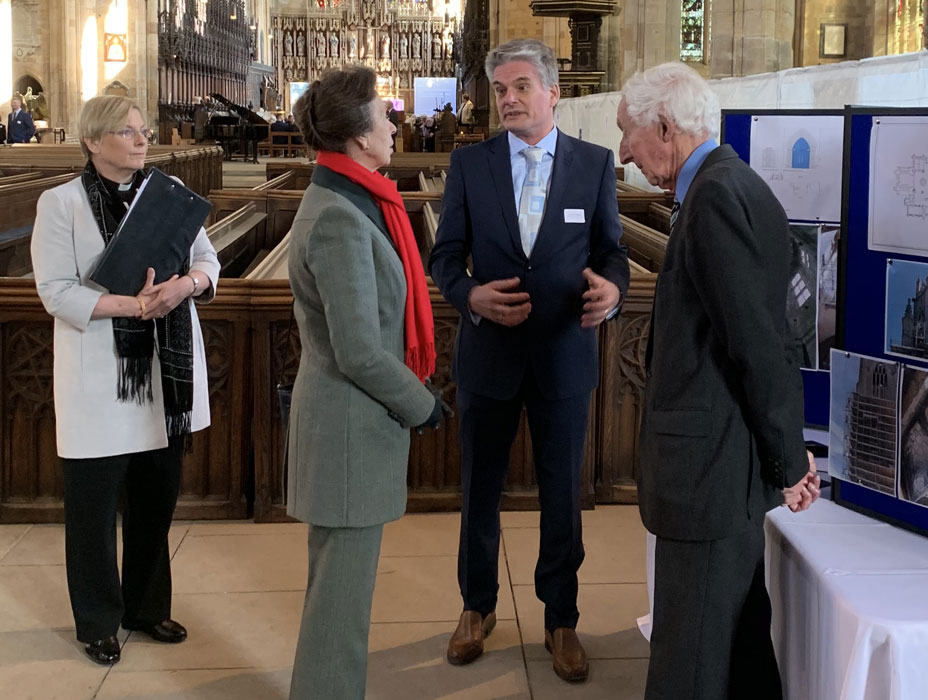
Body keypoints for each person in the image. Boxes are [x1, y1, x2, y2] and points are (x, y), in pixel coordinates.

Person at [616, 62, 821, 700]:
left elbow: (758, 346)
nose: (623, 152)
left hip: (710, 471)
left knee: (693, 661)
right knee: (735, 643)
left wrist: (788, 461)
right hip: (721, 466)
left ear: (666, 127)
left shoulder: (716, 196)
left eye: (628, 133)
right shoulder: (722, 186)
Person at [429, 37, 629, 683]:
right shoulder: (472, 164)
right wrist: (469, 295)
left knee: (563, 493)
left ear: (552, 93)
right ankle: (476, 607)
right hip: (489, 354)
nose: (509, 99)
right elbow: (445, 256)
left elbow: (613, 251)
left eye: (520, 87)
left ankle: (561, 617)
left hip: (563, 355)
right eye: (500, 90)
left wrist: (614, 289)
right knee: (479, 490)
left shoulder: (593, 165)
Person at [29, 95, 219, 666]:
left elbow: (207, 264)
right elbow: (56, 291)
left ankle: (145, 607)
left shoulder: (168, 196)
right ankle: (97, 620)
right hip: (100, 378)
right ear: (93, 141)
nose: (142, 140)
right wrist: (134, 305)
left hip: (164, 375)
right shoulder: (60, 204)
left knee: (154, 500)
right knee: (92, 509)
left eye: (144, 131)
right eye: (127, 132)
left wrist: (181, 288)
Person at [285, 66, 449, 700]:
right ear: (357, 135)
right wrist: (422, 406)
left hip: (350, 427)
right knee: (339, 612)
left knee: (339, 598)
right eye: (384, 115)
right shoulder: (339, 216)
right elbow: (357, 349)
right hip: (349, 428)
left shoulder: (356, 197)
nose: (392, 124)